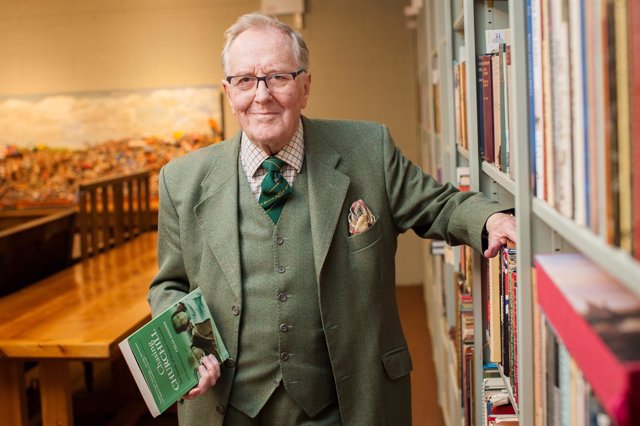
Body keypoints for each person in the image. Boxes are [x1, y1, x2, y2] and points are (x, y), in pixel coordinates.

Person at [147, 11, 516, 426]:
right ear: (229, 92)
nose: (261, 95)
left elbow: (439, 204)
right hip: (228, 409)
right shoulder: (182, 180)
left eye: (278, 77)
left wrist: (491, 219)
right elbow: (170, 285)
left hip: (344, 406)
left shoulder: (367, 150)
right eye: (245, 80)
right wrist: (186, 348)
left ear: (305, 86)